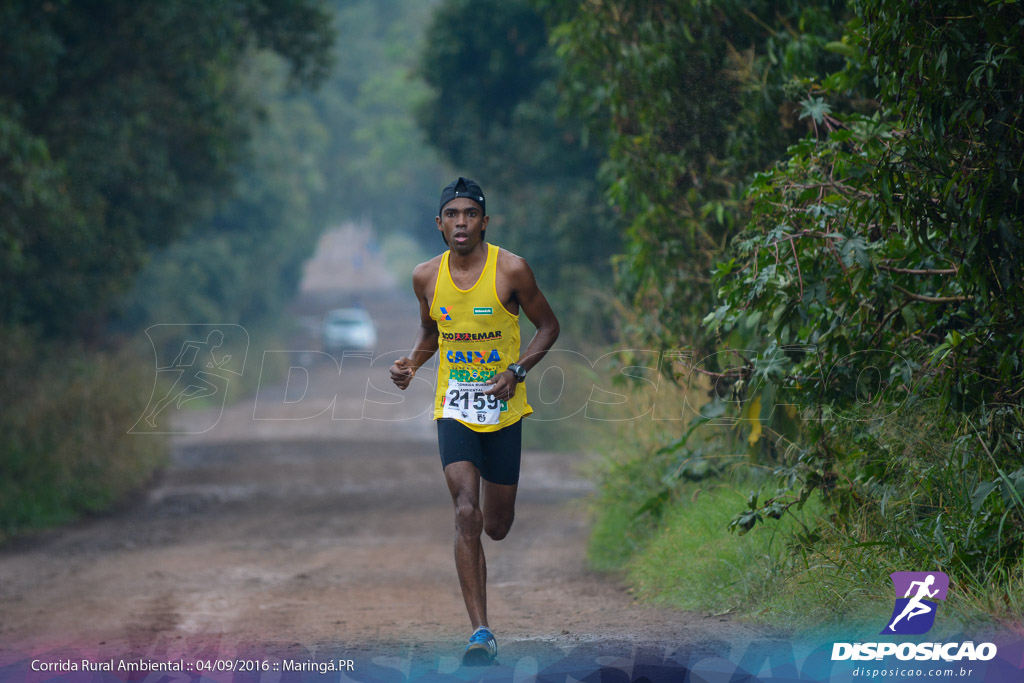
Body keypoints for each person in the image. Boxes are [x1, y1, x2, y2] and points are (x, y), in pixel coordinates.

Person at [389, 177, 559, 665]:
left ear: (484, 221)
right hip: (455, 407)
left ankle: (483, 612)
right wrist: (411, 365)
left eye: (470, 214)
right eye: (452, 215)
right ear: (439, 224)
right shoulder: (425, 276)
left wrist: (517, 370)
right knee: (467, 511)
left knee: (497, 525)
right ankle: (480, 633)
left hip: (505, 407)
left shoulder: (512, 270)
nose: (461, 222)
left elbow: (549, 325)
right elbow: (431, 332)